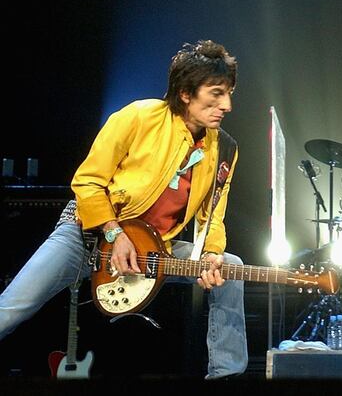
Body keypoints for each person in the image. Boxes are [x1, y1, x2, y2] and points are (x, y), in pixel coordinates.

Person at [0, 40, 248, 379]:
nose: (227, 105)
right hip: (86, 235)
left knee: (230, 268)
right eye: (217, 93)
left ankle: (226, 376)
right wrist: (115, 234)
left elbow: (213, 215)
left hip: (155, 249)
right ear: (187, 93)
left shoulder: (225, 149)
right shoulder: (138, 116)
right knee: (12, 308)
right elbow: (87, 181)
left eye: (229, 93)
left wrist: (212, 254)